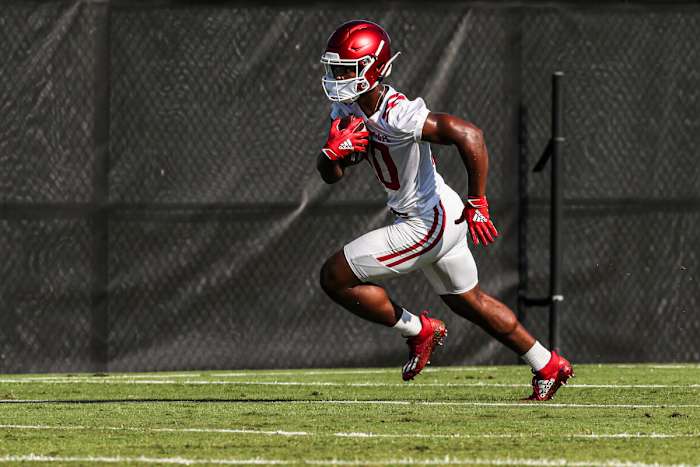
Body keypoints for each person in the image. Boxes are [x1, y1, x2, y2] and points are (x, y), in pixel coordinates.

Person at [316, 20, 573, 401]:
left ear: (372, 67)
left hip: (427, 221)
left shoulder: (397, 114)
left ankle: (418, 330)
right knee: (471, 302)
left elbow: (470, 135)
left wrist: (479, 201)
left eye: (346, 69)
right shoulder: (347, 107)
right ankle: (547, 364)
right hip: (437, 211)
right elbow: (332, 174)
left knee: (334, 277)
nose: (338, 77)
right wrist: (331, 155)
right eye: (335, 68)